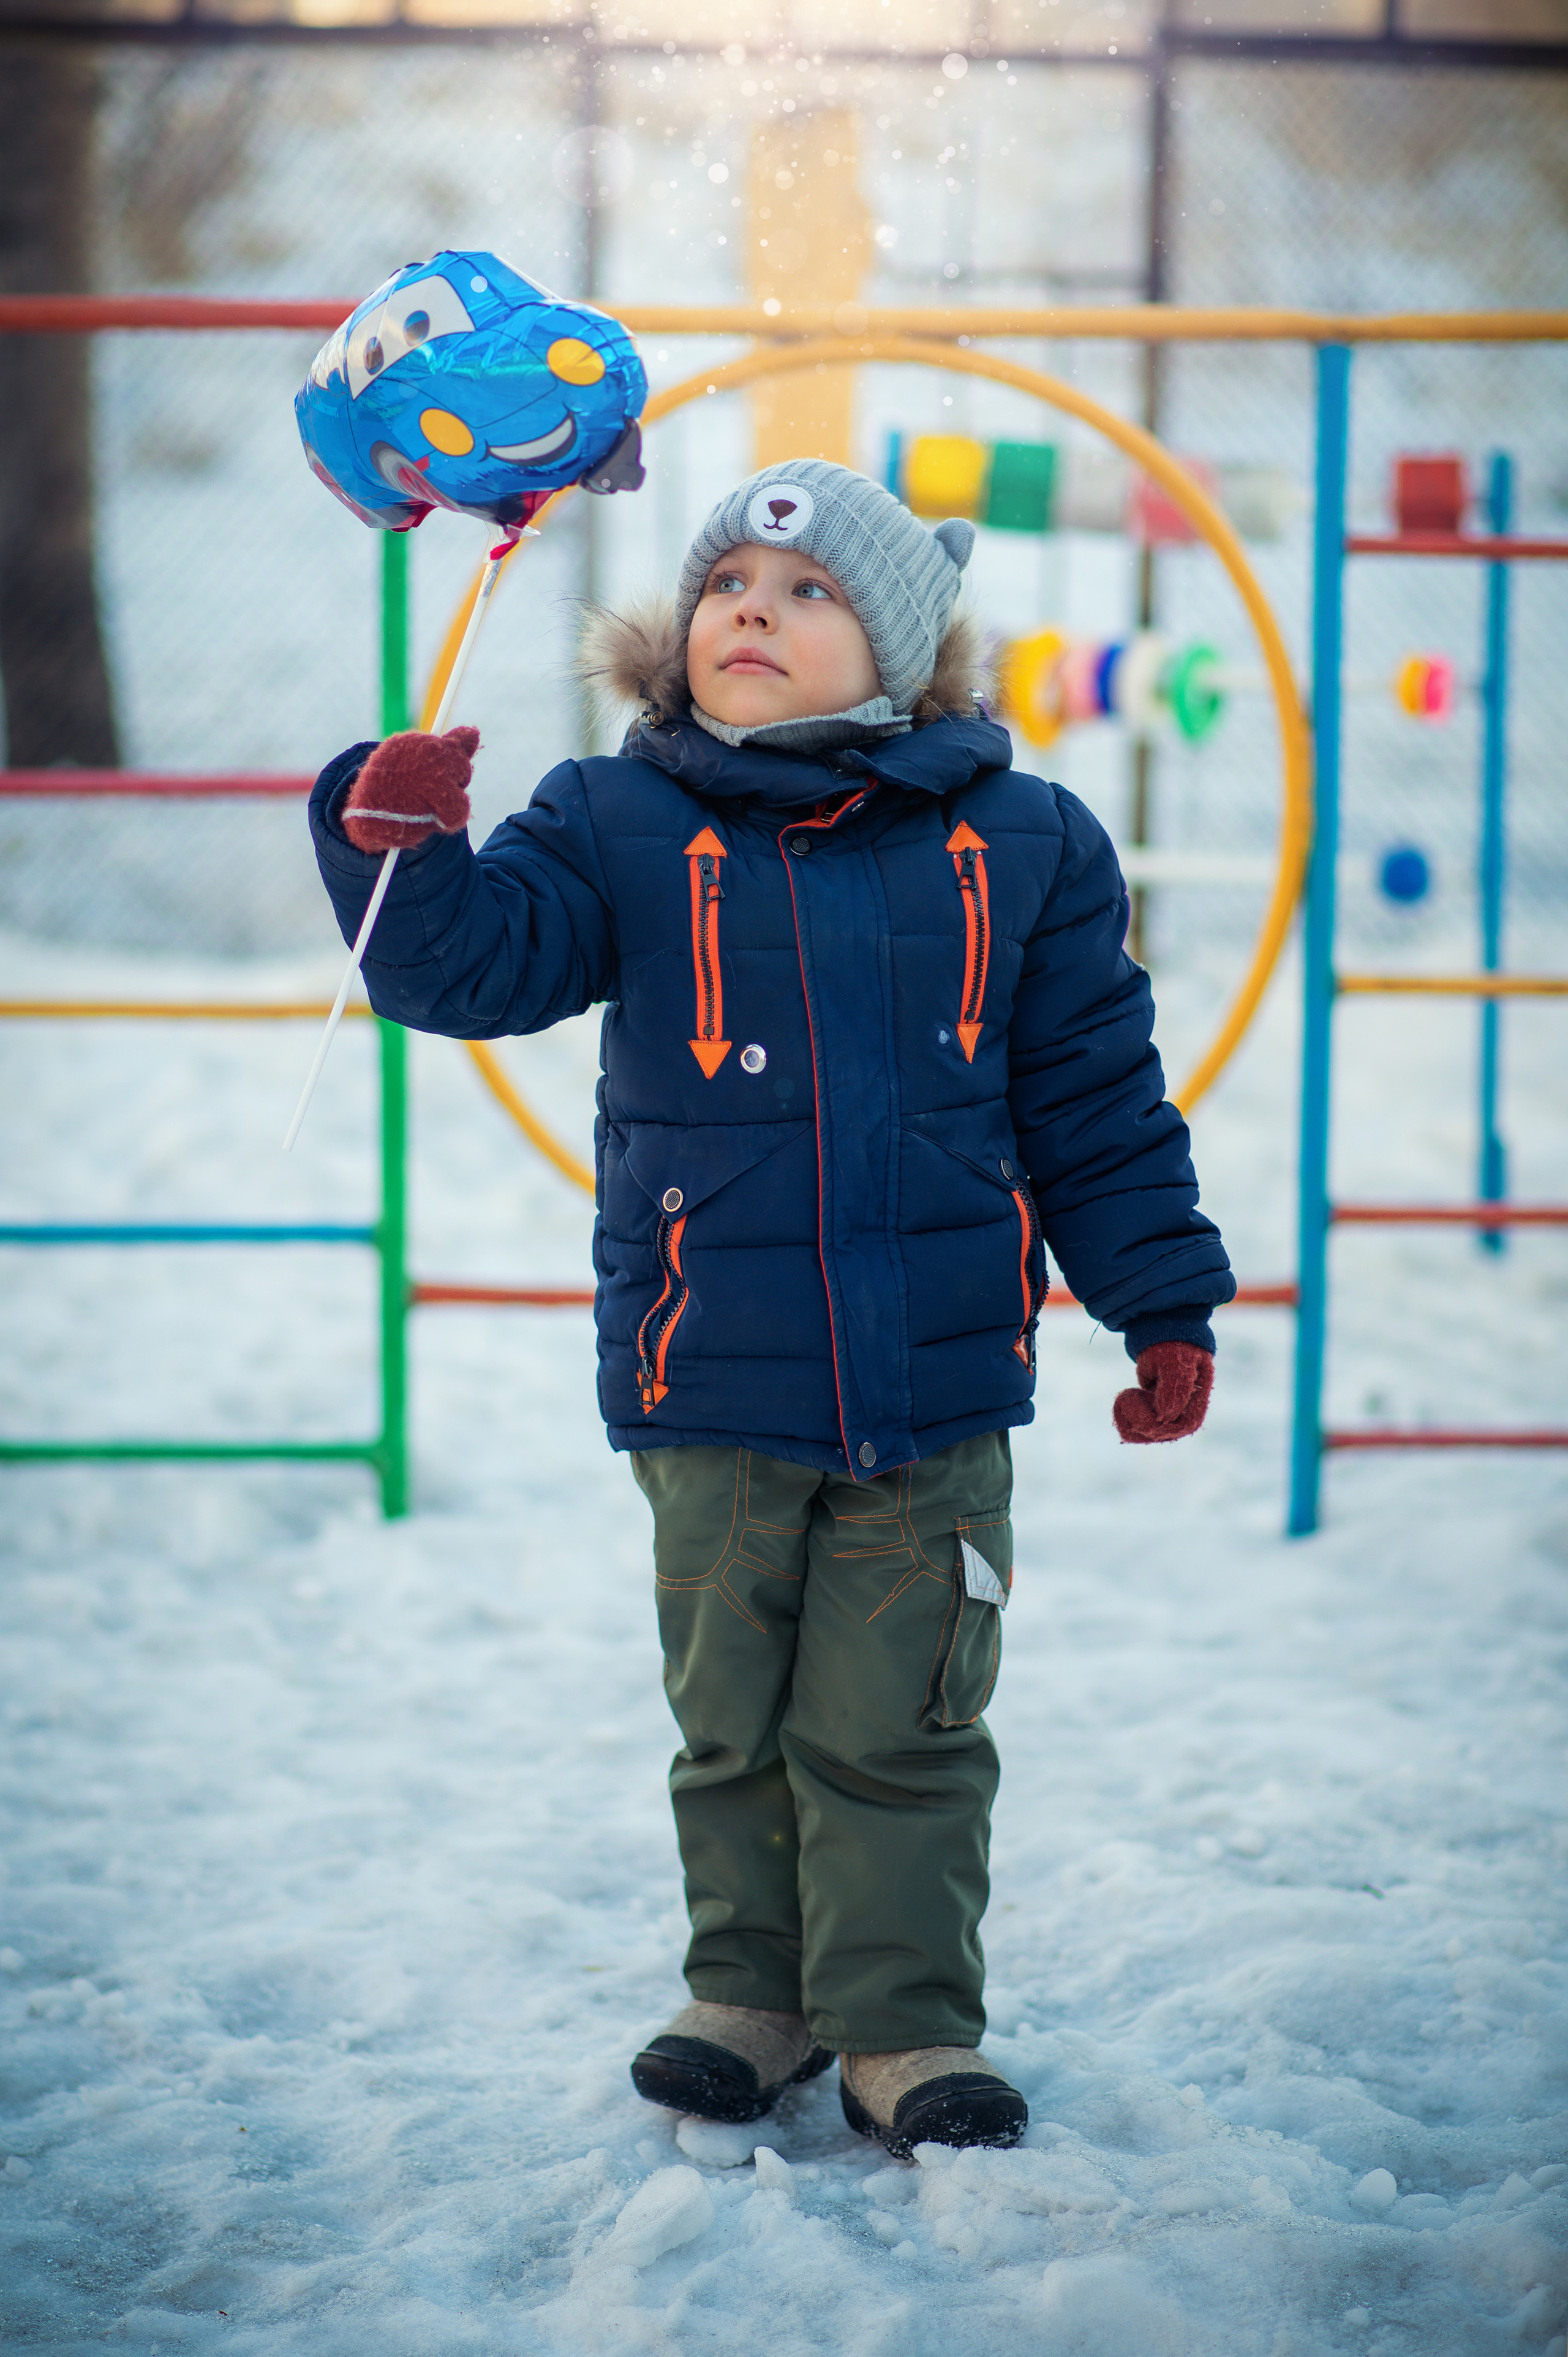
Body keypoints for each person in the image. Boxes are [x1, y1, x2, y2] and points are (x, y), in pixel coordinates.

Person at [309, 459, 1234, 2160]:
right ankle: (753, 1989)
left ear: (899, 647)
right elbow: (471, 972)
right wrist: (402, 848)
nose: (755, 609)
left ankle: (897, 2023)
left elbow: (1096, 1096)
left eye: (810, 593)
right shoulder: (619, 818)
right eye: (731, 581)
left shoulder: (1022, 842)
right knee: (729, 1713)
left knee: (902, 1716)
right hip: (708, 1367)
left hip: (936, 1377)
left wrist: (1159, 1296)